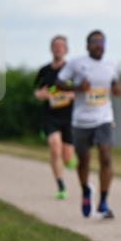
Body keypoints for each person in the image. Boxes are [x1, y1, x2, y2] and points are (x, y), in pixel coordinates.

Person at [58, 30, 121, 220]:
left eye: (101, 42)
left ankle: (103, 202)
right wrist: (77, 88)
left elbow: (115, 84)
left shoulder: (111, 64)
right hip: (81, 120)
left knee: (105, 156)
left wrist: (117, 89)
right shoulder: (76, 64)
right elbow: (57, 84)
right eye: (94, 42)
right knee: (84, 160)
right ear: (87, 46)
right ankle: (86, 190)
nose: (98, 45)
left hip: (104, 118)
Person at [33, 35, 76, 199]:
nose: (58, 48)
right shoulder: (44, 71)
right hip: (50, 116)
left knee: (67, 157)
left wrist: (69, 94)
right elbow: (37, 91)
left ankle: (71, 157)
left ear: (66, 49)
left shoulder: (71, 70)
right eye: (55, 46)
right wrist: (42, 94)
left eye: (61, 46)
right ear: (51, 49)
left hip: (68, 116)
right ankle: (61, 186)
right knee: (54, 147)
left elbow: (79, 90)